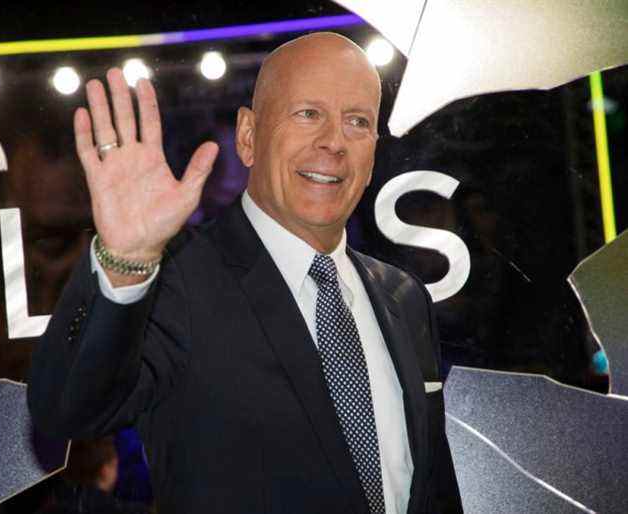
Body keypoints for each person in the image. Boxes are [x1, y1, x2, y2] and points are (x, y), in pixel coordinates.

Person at [28, 32, 462, 514]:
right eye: (308, 114)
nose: (334, 142)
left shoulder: (403, 298)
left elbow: (434, 488)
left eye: (357, 121)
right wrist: (125, 262)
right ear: (249, 136)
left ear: (373, 150)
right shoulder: (178, 279)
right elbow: (67, 409)